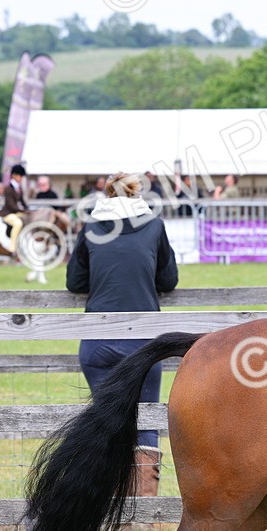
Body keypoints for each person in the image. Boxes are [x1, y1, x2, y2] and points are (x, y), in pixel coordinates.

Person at [66, 173, 179, 500]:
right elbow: (168, 279)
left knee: (107, 422)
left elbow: (75, 282)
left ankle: (109, 505)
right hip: (143, 341)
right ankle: (143, 506)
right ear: (138, 193)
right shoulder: (154, 226)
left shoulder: (90, 228)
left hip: (98, 340)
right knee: (145, 421)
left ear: (105, 194)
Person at [0, 164, 29, 252]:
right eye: (20, 176)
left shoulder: (19, 188)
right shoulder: (8, 189)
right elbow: (11, 205)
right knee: (17, 223)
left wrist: (27, 210)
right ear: (14, 175)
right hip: (7, 213)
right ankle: (12, 246)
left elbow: (22, 201)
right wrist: (22, 210)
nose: (21, 178)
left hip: (15, 212)